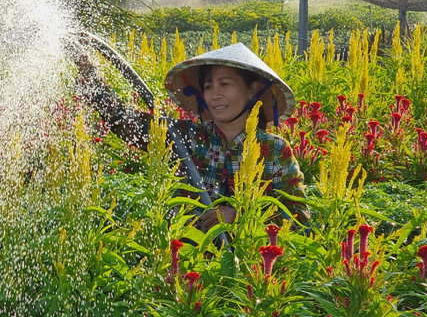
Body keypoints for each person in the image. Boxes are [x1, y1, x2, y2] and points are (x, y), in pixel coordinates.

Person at [75, 42, 310, 228]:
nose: (215, 94)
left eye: (224, 84)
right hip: (188, 268)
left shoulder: (274, 151)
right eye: (208, 86)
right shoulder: (187, 138)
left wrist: (240, 217)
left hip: (248, 276)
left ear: (251, 89)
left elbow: (299, 220)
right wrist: (89, 73)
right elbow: (126, 124)